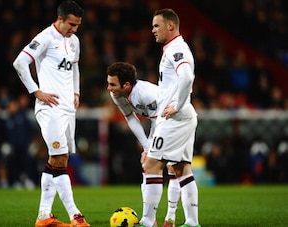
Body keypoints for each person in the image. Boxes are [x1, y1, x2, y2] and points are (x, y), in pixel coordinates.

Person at [13, 1, 90, 227]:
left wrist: (76, 91)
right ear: (61, 18)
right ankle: (75, 216)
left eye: (78, 25)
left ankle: (44, 216)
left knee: (57, 159)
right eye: (72, 24)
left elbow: (75, 67)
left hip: (68, 109)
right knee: (59, 159)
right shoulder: (45, 37)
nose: (74, 29)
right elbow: (20, 63)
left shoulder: (74, 41)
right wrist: (36, 91)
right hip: (50, 109)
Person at [136, 9, 200, 227]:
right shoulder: (174, 49)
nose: (153, 30)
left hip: (175, 118)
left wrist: (177, 105)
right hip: (185, 116)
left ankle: (146, 221)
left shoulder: (176, 50)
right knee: (181, 169)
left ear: (170, 26)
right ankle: (192, 222)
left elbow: (187, 76)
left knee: (151, 166)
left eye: (156, 26)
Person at [106, 62, 181, 227]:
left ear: (126, 85)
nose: (109, 88)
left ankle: (168, 218)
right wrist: (147, 146)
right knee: (148, 164)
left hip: (175, 120)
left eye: (112, 84)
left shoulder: (146, 94)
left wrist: (150, 147)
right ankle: (152, 220)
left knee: (171, 167)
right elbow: (130, 118)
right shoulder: (117, 94)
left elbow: (159, 120)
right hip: (161, 122)